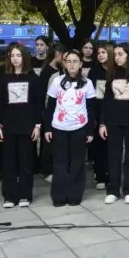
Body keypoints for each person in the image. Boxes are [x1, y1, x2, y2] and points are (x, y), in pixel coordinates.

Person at [43, 50, 97, 206]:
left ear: (80, 64)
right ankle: (59, 195)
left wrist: (89, 131)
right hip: (59, 127)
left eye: (75, 61)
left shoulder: (87, 83)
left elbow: (91, 108)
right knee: (59, 163)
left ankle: (75, 194)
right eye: (69, 61)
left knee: (77, 163)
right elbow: (50, 106)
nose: (72, 64)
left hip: (79, 127)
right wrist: (47, 128)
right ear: (64, 64)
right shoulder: (57, 81)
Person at [0, 45, 43, 208]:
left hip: (27, 125)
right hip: (8, 126)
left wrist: (37, 125)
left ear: (24, 57)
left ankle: (25, 195)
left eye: (18, 55)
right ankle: (9, 196)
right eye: (12, 55)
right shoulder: (4, 78)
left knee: (26, 162)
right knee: (9, 163)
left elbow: (38, 104)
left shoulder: (33, 78)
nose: (15, 59)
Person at [98, 43, 129, 204]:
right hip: (113, 121)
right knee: (114, 156)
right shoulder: (112, 73)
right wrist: (102, 123)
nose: (117, 57)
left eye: (121, 54)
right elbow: (106, 100)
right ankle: (113, 190)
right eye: (116, 54)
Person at [38, 43, 66, 181]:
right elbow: (44, 95)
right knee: (47, 141)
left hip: (60, 113)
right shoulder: (49, 73)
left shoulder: (59, 71)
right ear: (58, 54)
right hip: (49, 111)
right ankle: (46, 170)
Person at [88, 42, 112, 190]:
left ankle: (112, 175)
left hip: (113, 112)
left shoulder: (116, 71)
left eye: (103, 52)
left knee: (112, 146)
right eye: (99, 53)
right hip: (97, 112)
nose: (100, 55)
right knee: (99, 146)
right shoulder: (94, 71)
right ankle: (100, 176)